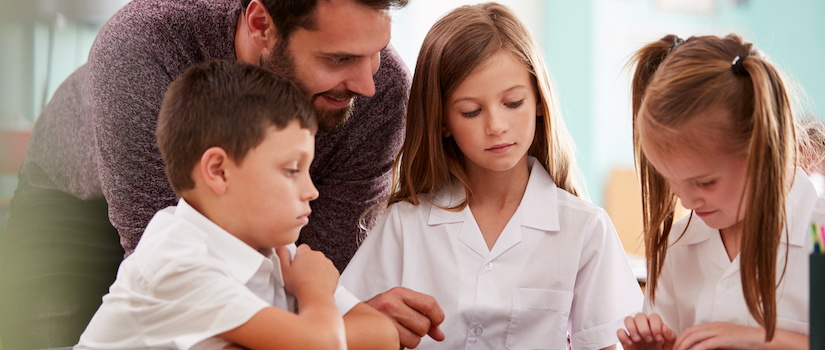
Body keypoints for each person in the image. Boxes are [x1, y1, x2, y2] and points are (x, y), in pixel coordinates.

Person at [0, 0, 409, 347]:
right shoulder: (145, 41)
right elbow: (307, 328)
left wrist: (313, 311)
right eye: (338, 59)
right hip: (79, 200)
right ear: (261, 25)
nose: (366, 84)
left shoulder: (384, 90)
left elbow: (310, 278)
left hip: (250, 214)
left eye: (375, 53)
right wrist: (317, 305)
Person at [339, 3, 643, 349]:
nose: (496, 126)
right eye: (471, 111)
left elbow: (608, 341)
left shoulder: (586, 230)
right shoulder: (405, 224)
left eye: (513, 103)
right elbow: (345, 325)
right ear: (442, 121)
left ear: (539, 101)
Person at [75, 59, 397, 350]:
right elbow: (322, 345)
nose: (311, 191)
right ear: (218, 171)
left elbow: (382, 334)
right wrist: (314, 292)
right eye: (291, 170)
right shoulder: (176, 261)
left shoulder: (276, 250)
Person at [617, 34, 819, 350]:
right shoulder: (678, 245)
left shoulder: (818, 232)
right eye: (672, 179)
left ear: (761, 151)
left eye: (705, 182)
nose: (686, 200)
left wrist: (761, 340)